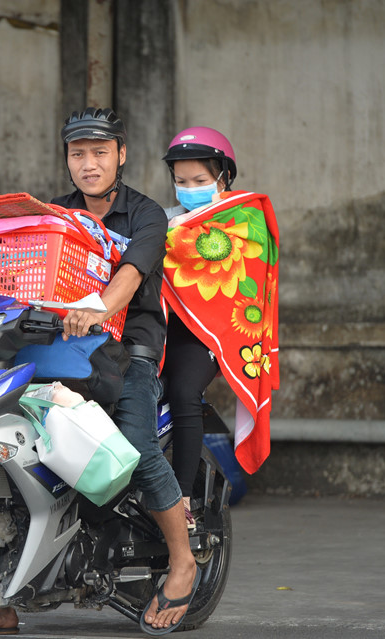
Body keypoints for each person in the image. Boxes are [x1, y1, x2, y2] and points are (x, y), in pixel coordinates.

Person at [0, 108, 199, 635]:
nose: (89, 164)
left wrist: (101, 309)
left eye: (100, 153)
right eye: (79, 154)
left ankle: (182, 561)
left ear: (121, 155)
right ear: (67, 159)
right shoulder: (52, 215)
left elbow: (131, 274)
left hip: (127, 350)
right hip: (52, 350)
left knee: (134, 445)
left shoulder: (146, 215)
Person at [159, 126, 280, 521]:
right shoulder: (162, 218)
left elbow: (242, 274)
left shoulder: (246, 220)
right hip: (160, 328)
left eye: (200, 180)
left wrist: (167, 242)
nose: (188, 188)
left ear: (223, 178)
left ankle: (182, 501)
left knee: (183, 393)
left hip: (210, 334)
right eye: (181, 181)